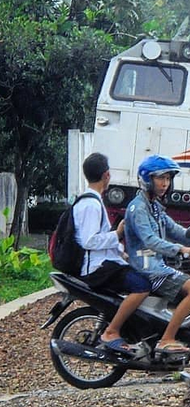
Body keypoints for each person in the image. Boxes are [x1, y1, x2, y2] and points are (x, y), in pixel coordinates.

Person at [124, 155, 190, 354]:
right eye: (160, 178)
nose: (165, 183)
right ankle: (167, 338)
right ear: (147, 179)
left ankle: (187, 333)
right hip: (147, 269)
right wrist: (181, 249)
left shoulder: (154, 207)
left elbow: (176, 231)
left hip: (158, 266)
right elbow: (150, 241)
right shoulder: (138, 208)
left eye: (168, 179)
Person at [75, 152, 152, 357]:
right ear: (106, 175)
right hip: (98, 269)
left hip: (106, 262)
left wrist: (122, 253)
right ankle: (112, 331)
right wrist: (117, 234)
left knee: (143, 275)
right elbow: (89, 241)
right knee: (142, 286)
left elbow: (101, 239)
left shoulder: (94, 201)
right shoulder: (90, 204)